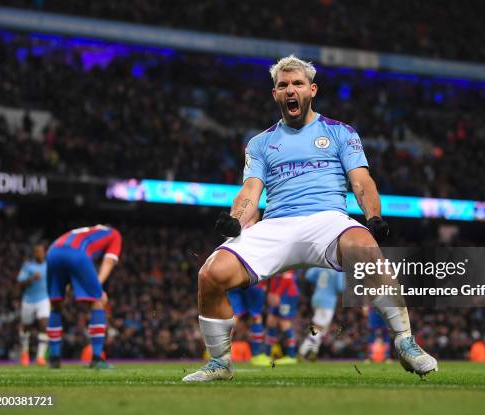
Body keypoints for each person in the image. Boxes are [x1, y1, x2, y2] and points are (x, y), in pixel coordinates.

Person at [183, 55, 437, 382]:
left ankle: (405, 343)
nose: (291, 90)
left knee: (367, 250)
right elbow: (250, 190)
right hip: (277, 224)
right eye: (283, 85)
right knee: (210, 273)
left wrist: (373, 216)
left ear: (312, 89)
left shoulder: (340, 132)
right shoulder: (260, 143)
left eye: (298, 84)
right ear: (275, 94)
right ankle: (220, 363)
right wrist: (236, 219)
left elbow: (361, 181)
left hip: (328, 220)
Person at [45, 225, 122, 369]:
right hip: (76, 253)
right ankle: (97, 358)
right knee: (98, 301)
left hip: (52, 251)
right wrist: (97, 288)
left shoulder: (84, 231)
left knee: (55, 304)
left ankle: (54, 359)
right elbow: (109, 261)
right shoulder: (114, 234)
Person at [298, 268, 344, 361]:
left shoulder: (323, 266)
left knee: (322, 329)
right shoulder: (339, 270)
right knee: (318, 328)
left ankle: (313, 353)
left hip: (317, 298)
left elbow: (308, 275)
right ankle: (302, 352)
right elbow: (341, 287)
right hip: (328, 302)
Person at [17, 244, 49, 366]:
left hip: (43, 299)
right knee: (26, 327)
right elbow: (19, 284)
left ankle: (40, 357)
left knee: (44, 324)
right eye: (37, 252)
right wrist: (31, 278)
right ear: (34, 253)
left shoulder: (49, 266)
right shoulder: (28, 266)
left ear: (44, 252)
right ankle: (24, 353)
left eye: (41, 251)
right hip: (29, 300)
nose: (39, 254)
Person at [226, 283, 270, 366]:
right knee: (256, 317)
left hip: (233, 281)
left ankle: (220, 356)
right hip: (252, 279)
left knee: (235, 316)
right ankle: (257, 356)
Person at [264, 270, 300, 365]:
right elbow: (273, 276)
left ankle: (292, 356)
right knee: (271, 321)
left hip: (288, 294)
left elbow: (288, 277)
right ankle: (267, 355)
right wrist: (271, 293)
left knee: (284, 323)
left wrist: (277, 294)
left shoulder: (288, 259)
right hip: (278, 292)